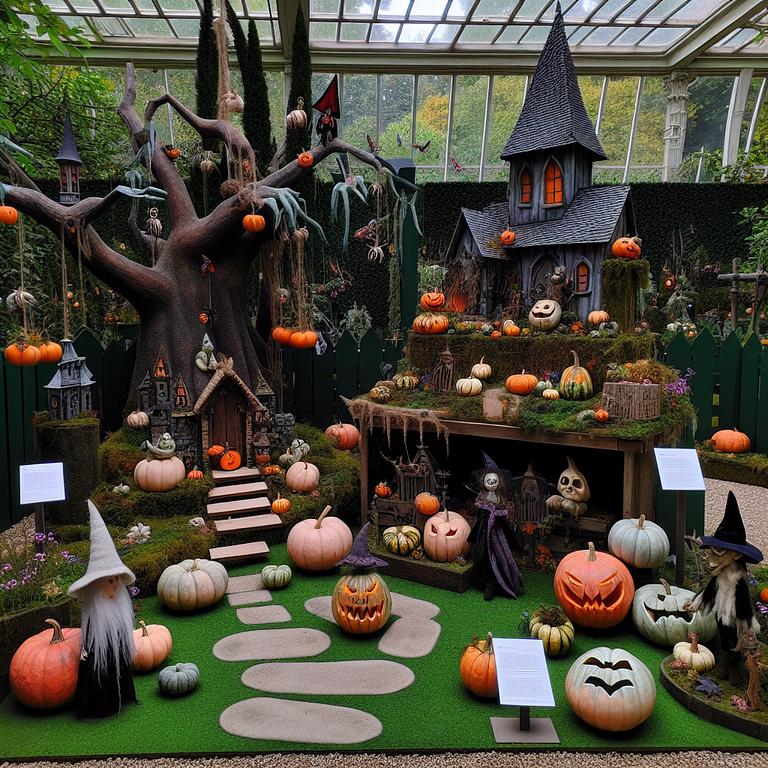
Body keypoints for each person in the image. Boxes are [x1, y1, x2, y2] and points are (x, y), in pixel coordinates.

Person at [685, 491, 763, 686]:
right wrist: (696, 604)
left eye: (719, 553)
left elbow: (745, 606)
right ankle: (724, 664)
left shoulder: (739, 581)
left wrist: (746, 624)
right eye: (711, 553)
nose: (712, 560)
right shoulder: (719, 577)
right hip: (721, 615)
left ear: (736, 555)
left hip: (736, 619)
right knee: (723, 638)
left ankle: (735, 669)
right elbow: (709, 592)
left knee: (735, 643)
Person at [68, 500, 137, 717]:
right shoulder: (94, 624)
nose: (115, 585)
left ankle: (122, 695)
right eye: (109, 580)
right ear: (96, 585)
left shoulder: (118, 612)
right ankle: (101, 704)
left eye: (117, 579)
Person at [467, 453, 523, 601]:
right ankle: (484, 582)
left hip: (497, 534)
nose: (491, 483)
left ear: (499, 482)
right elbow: (479, 516)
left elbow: (504, 517)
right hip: (483, 533)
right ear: (484, 482)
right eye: (489, 481)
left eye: (494, 481)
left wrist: (496, 517)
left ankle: (496, 583)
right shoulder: (481, 499)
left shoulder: (500, 500)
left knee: (499, 555)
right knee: (483, 556)